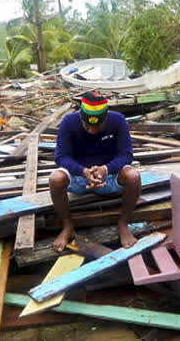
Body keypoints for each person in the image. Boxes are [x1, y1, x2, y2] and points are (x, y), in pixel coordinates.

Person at [50, 91, 141, 251]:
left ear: (106, 118)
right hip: (79, 178)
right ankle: (68, 225)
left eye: (97, 126)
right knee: (55, 178)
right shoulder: (69, 122)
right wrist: (83, 171)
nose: (92, 131)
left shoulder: (118, 120)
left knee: (133, 176)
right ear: (80, 116)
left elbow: (126, 155)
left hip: (110, 176)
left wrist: (106, 169)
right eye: (87, 126)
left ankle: (123, 223)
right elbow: (61, 157)